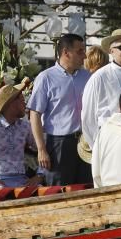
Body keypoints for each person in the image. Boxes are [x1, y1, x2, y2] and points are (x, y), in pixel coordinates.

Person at [27, 33, 91, 186]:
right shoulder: (46, 78)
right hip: (59, 144)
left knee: (87, 190)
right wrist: (41, 149)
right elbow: (34, 114)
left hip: (85, 142)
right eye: (80, 51)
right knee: (59, 190)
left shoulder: (88, 77)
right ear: (66, 53)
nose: (85, 56)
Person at [80, 29, 121, 148]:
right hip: (111, 142)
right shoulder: (99, 77)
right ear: (111, 51)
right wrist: (96, 147)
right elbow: (88, 117)